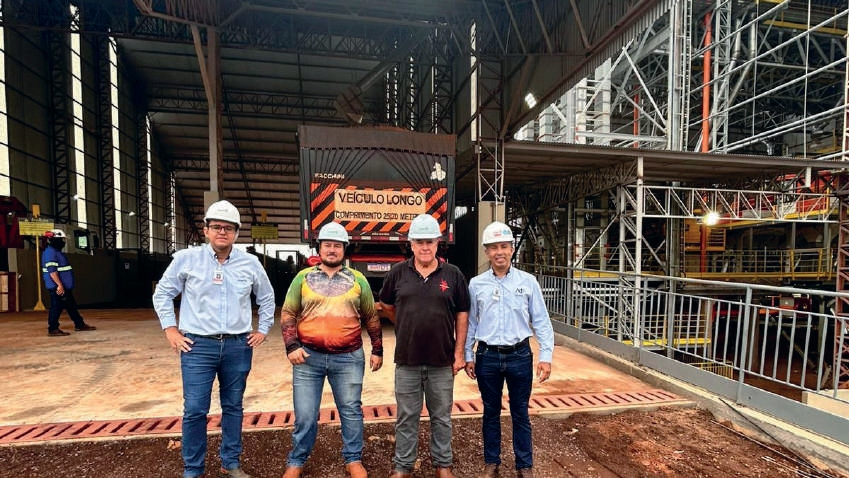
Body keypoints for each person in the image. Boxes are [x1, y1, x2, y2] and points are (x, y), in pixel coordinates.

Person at [152, 200, 275, 478]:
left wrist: (263, 329)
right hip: (198, 346)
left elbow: (267, 298)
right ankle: (193, 469)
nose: (222, 232)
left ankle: (230, 462)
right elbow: (162, 294)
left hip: (237, 345)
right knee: (195, 409)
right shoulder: (187, 259)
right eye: (217, 227)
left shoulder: (250, 263)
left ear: (236, 233)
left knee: (233, 406)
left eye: (229, 228)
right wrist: (170, 329)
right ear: (206, 230)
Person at [280, 221, 383, 478]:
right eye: (327, 245)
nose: (332, 250)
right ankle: (297, 461)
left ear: (344, 250)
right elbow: (288, 313)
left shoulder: (358, 279)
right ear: (320, 247)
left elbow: (371, 316)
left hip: (349, 359)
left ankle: (353, 459)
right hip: (307, 358)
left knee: (350, 409)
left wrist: (377, 349)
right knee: (305, 414)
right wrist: (291, 345)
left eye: (337, 245)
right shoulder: (302, 279)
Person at [379, 213, 470, 478]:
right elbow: (386, 306)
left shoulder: (452, 275)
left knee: (441, 416)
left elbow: (462, 313)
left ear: (438, 243)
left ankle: (443, 465)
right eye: (419, 241)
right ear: (411, 244)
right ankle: (403, 466)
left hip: (442, 361)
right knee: (406, 417)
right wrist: (405, 324)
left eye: (430, 241)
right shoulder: (397, 274)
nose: (425, 247)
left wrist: (459, 353)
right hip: (407, 360)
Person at [463, 221, 554, 478]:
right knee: (490, 412)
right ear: (486, 252)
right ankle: (491, 462)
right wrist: (468, 355)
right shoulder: (476, 284)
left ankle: (524, 466)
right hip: (488, 357)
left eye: (504, 246)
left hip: (519, 356)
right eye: (493, 248)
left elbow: (541, 322)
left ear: (512, 249)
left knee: (520, 412)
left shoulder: (528, 282)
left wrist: (546, 357)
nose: (499, 252)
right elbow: (471, 323)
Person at [41, 229, 96, 336]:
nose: (63, 242)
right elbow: (52, 271)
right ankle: (53, 328)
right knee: (56, 307)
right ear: (55, 240)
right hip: (57, 286)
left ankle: (79, 324)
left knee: (71, 306)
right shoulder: (50, 253)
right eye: (62, 239)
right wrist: (59, 285)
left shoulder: (56, 252)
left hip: (64, 286)